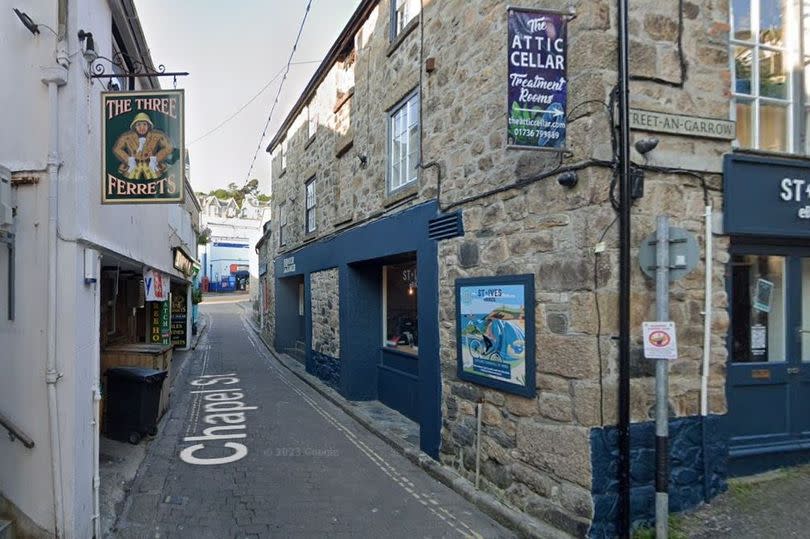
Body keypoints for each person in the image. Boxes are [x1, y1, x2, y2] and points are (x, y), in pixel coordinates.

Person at [112, 112, 173, 180]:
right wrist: (128, 159)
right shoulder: (127, 137)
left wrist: (156, 158)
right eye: (138, 125)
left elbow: (168, 147)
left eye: (144, 124)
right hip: (133, 166)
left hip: (151, 166)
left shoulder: (157, 136)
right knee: (129, 180)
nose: (142, 127)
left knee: (155, 181)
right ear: (135, 126)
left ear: (148, 126)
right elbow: (117, 149)